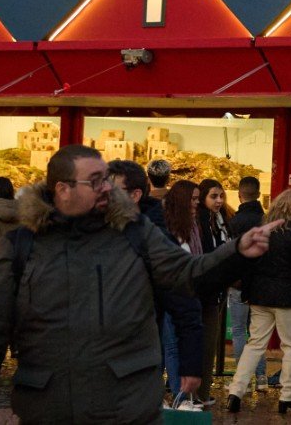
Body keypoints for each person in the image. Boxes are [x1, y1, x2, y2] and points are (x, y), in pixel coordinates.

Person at [0, 145, 277, 424]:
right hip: (48, 407)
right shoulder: (21, 246)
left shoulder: (135, 232)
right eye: (95, 181)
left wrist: (236, 251)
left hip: (128, 406)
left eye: (106, 179)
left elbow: (187, 273)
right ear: (62, 189)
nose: (107, 188)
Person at [109, 159, 206, 409]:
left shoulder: (154, 236)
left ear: (135, 195)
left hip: (134, 356)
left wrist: (190, 365)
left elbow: (184, 301)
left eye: (111, 190)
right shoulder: (91, 230)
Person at [227, 188, 291, 415]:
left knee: (255, 343)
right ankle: (287, 396)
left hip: (260, 296)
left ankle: (235, 392)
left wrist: (247, 292)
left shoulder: (262, 229)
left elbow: (249, 263)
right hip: (289, 298)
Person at [226, 175, 267, 389]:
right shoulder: (266, 221)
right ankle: (261, 378)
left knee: (240, 330)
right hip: (260, 285)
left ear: (240, 195)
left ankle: (242, 380)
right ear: (258, 194)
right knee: (258, 334)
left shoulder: (232, 222)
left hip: (239, 283)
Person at [196, 179, 233, 377]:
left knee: (210, 341)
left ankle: (203, 390)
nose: (219, 201)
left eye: (221, 196)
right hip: (204, 288)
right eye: (213, 196)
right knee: (202, 341)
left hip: (217, 287)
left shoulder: (221, 220)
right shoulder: (200, 221)